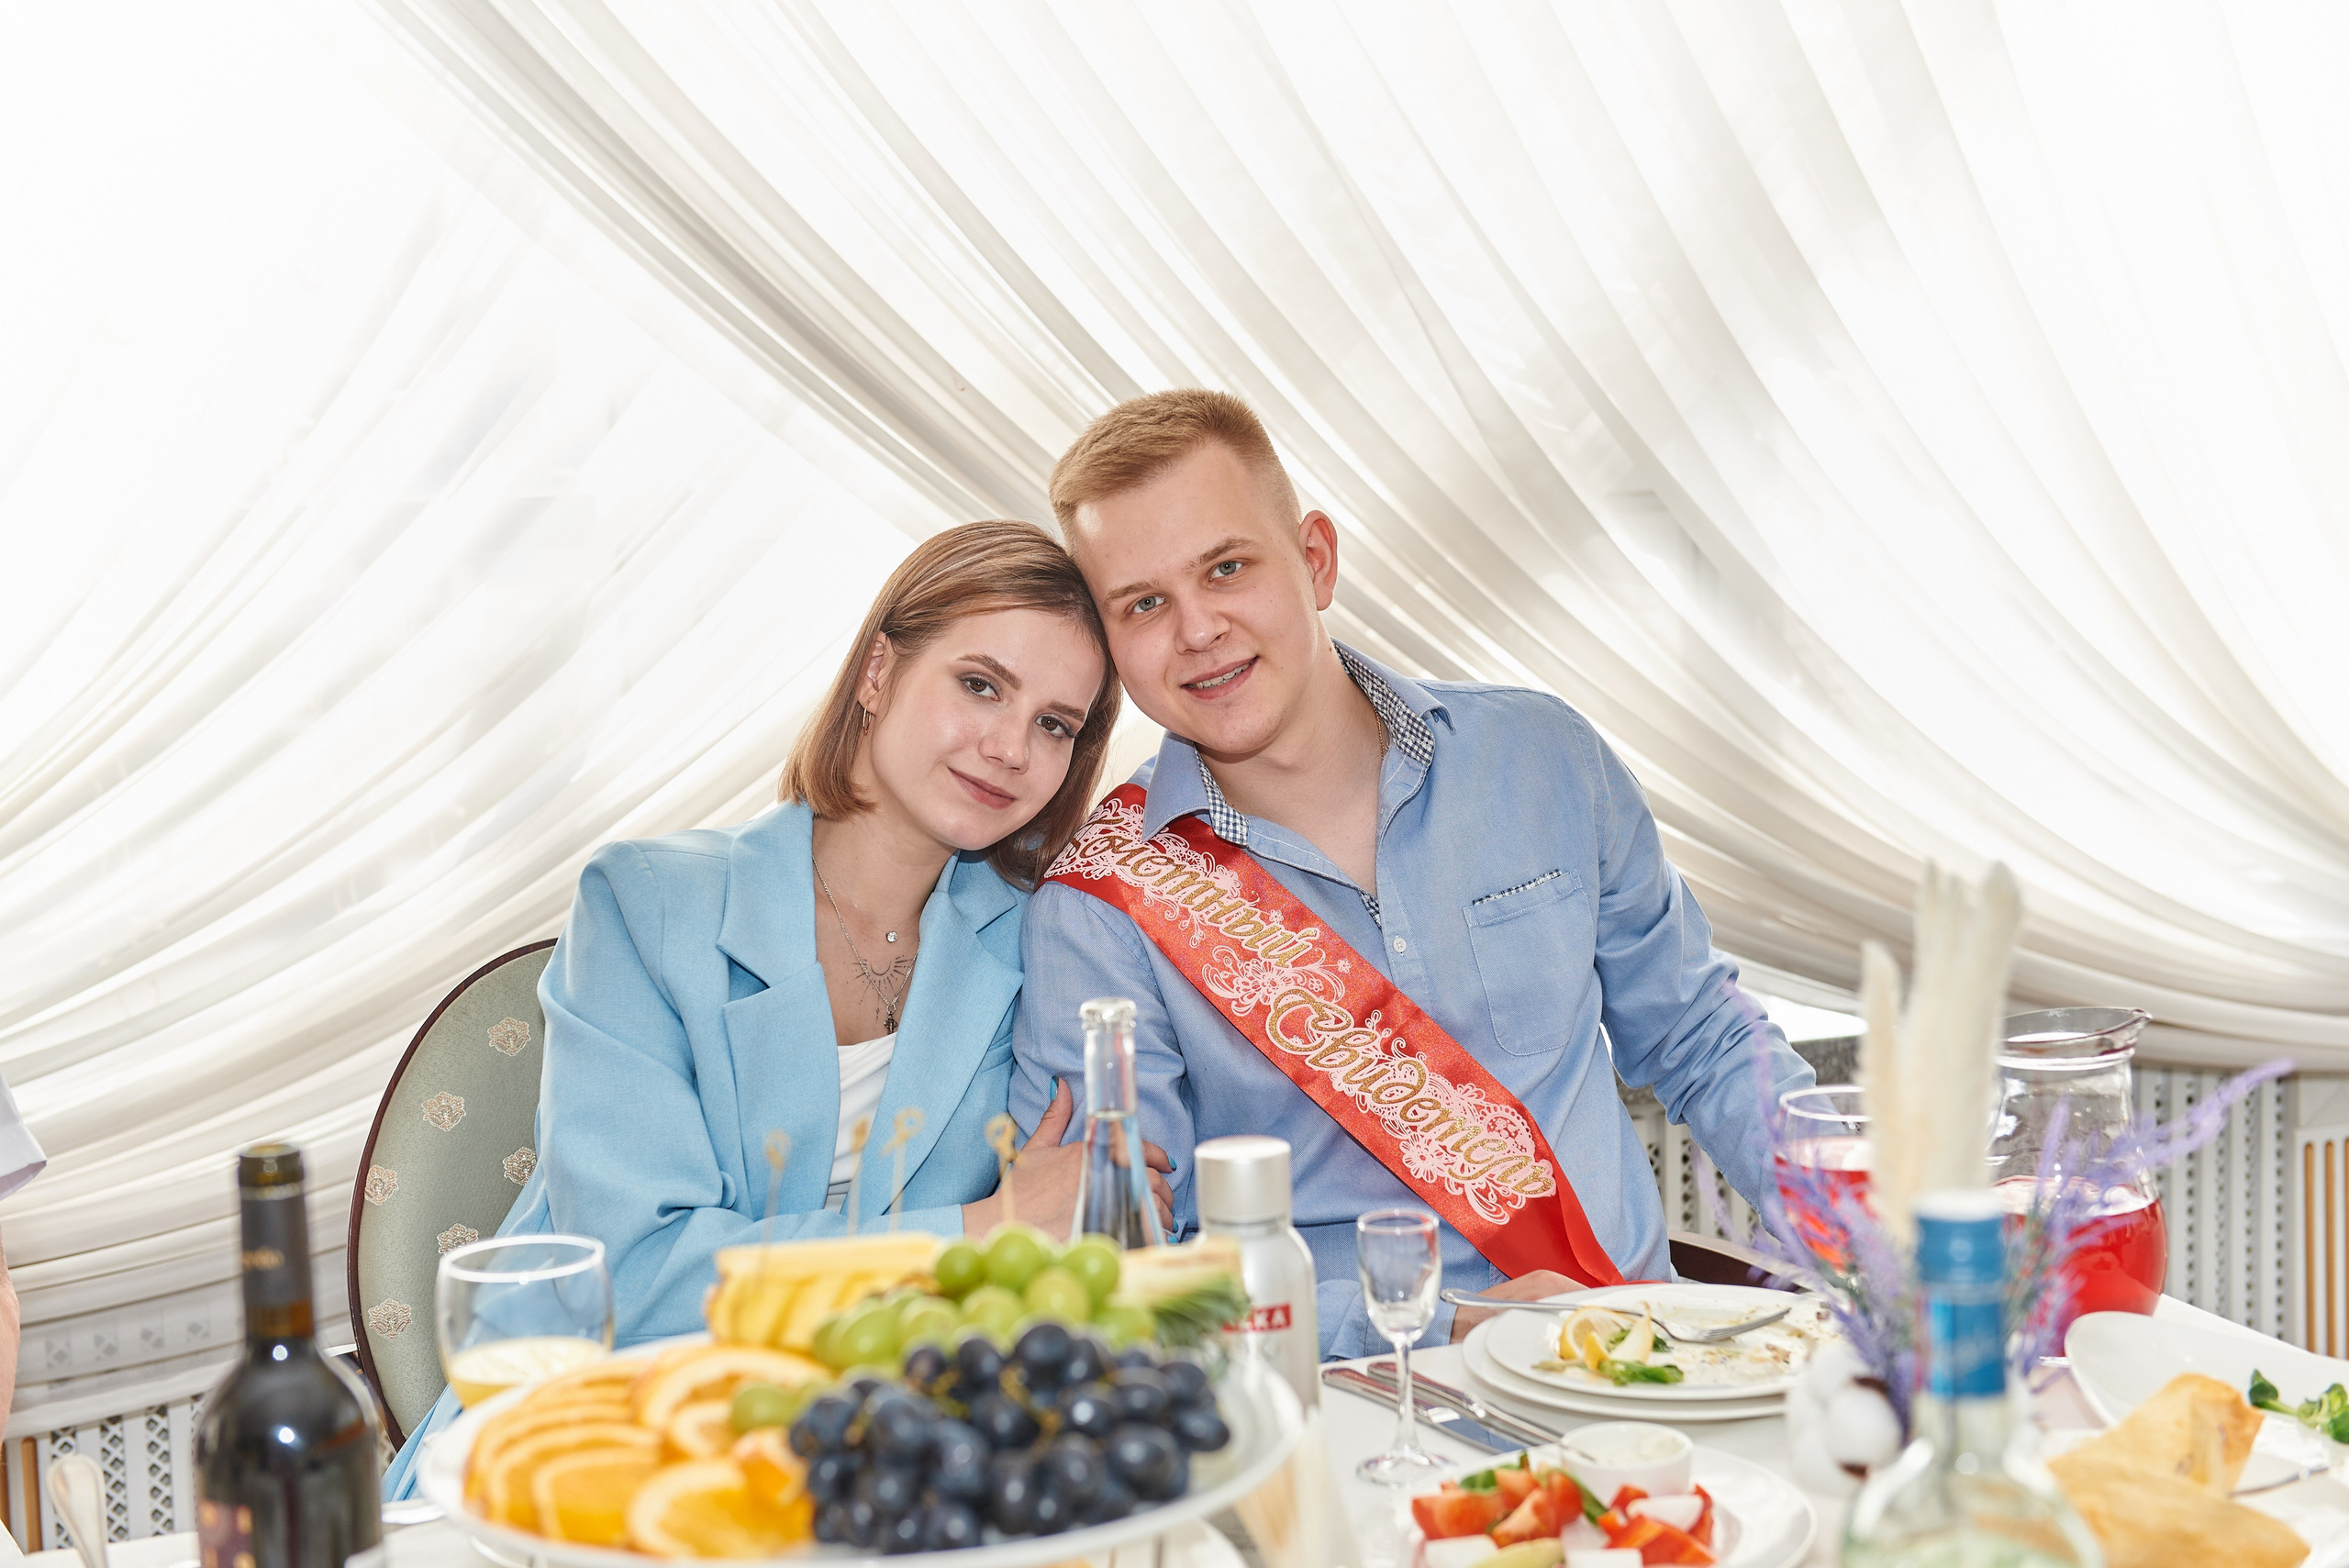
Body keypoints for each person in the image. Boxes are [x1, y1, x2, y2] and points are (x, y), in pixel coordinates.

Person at [1011, 391, 1815, 1361]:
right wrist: (1440, 1320)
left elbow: (1702, 1037)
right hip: (1351, 1401)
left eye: (1227, 567)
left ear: (1316, 559)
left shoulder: (1544, 756)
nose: (1197, 629)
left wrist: (1859, 1220)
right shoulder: (1096, 910)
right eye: (1143, 603)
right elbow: (1131, 1272)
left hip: (1649, 1372)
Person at [386, 519, 1170, 1495]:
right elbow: (642, 1281)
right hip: (586, 1448)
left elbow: (1097, 1217)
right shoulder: (644, 904)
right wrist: (981, 1230)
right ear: (878, 672)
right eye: (980, 684)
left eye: (1056, 724)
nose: (1010, 746)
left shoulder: (1040, 938)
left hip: (866, 1458)